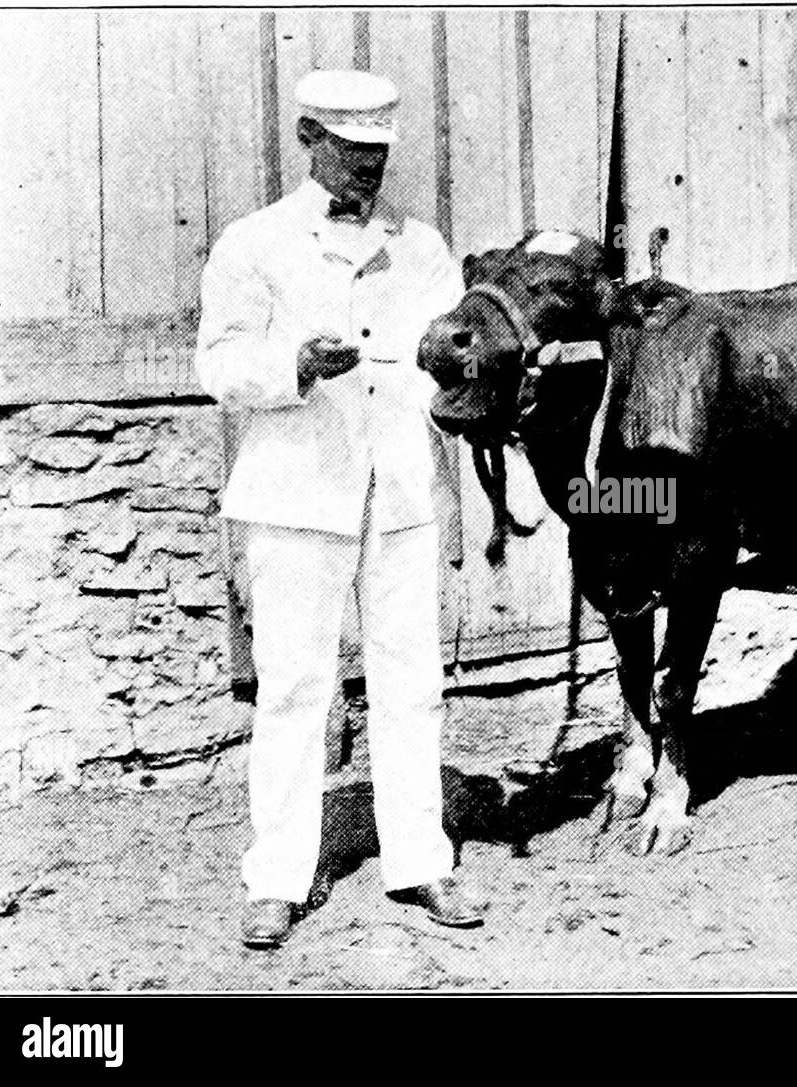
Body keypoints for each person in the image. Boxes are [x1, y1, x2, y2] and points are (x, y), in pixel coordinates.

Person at [195, 69, 482, 948]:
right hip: (296, 493)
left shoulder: (421, 246)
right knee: (292, 687)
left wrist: (469, 368)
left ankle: (420, 860)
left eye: (378, 155)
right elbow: (219, 365)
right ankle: (277, 876)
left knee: (412, 681)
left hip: (397, 491)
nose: (366, 171)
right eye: (351, 152)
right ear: (310, 139)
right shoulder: (254, 243)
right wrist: (297, 366)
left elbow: (450, 356)